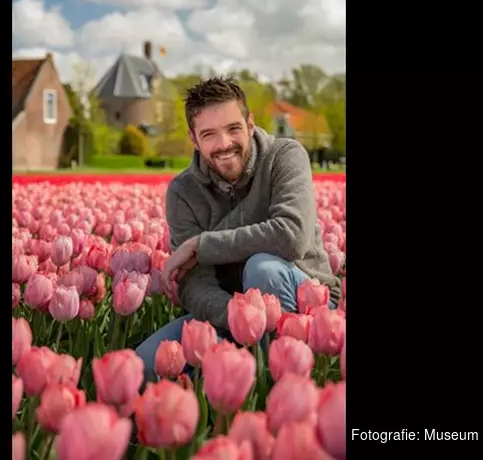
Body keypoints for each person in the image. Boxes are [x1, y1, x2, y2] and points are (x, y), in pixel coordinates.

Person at [136, 76, 342, 382]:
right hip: (229, 312)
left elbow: (291, 237)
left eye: (233, 128)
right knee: (144, 366)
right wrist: (241, 317)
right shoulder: (182, 191)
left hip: (304, 302)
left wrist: (201, 245)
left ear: (250, 122)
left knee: (264, 269)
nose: (224, 144)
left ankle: (282, 383)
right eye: (209, 134)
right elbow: (194, 285)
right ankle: (245, 370)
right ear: (193, 138)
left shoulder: (285, 156)